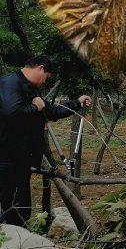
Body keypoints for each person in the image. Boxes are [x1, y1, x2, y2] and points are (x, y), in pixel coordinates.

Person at [0, 55, 91, 227]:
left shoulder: (31, 89)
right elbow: (10, 112)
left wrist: (77, 103)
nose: (43, 82)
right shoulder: (9, 83)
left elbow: (52, 113)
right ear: (40, 68)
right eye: (46, 77)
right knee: (10, 208)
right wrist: (35, 107)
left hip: (21, 160)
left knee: (22, 209)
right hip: (5, 159)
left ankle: (18, 243)